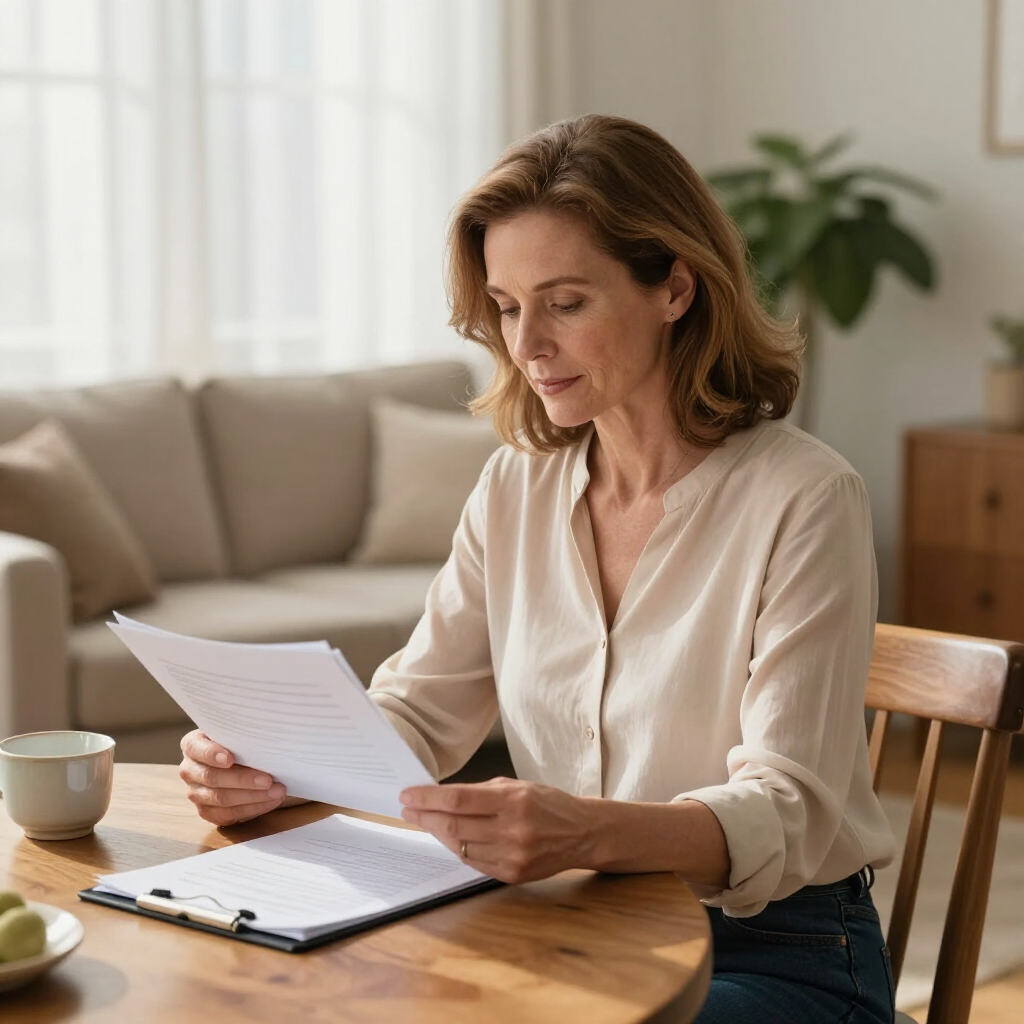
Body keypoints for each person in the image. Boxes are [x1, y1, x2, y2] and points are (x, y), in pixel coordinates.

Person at [179, 114, 897, 1024]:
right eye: (509, 308)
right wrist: (269, 763)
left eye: (565, 303)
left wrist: (583, 829)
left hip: (776, 951)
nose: (526, 346)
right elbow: (419, 712)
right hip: (570, 924)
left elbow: (787, 809)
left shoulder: (806, 497)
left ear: (674, 287)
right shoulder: (517, 485)